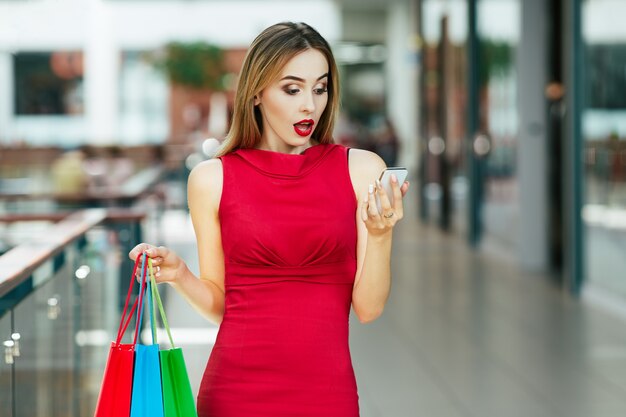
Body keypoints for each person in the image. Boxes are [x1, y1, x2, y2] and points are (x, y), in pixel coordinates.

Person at [129, 22, 409, 417]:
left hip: (327, 393)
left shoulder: (361, 170)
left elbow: (368, 307)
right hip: (235, 392)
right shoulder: (212, 178)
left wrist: (380, 234)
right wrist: (180, 275)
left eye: (320, 88)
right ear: (257, 92)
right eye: (292, 89)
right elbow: (223, 304)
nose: (310, 105)